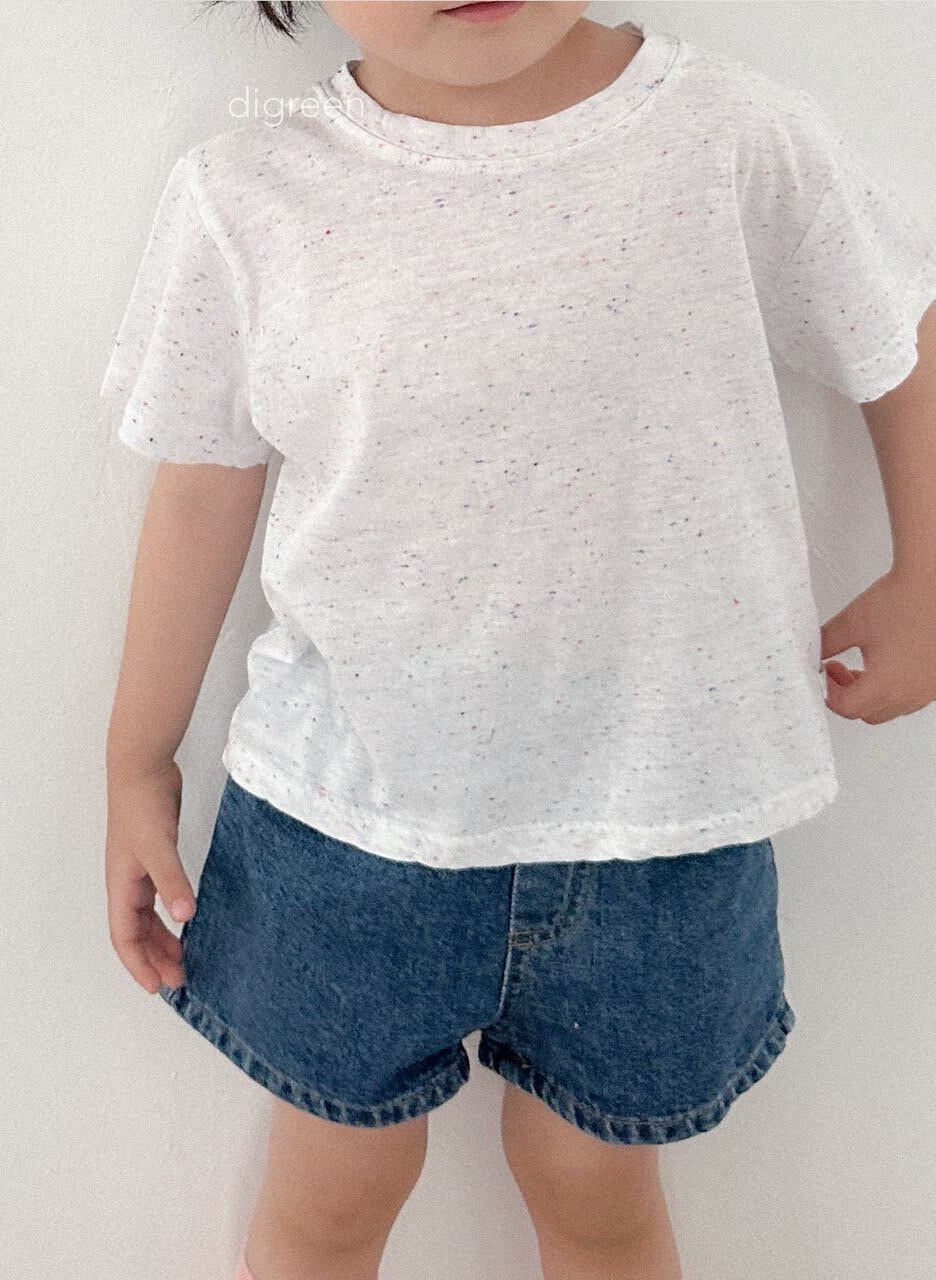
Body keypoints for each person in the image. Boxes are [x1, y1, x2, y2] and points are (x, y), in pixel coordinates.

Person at [100, 4, 936, 1277]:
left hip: (665, 821)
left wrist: (926, 577)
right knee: (330, 1194)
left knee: (596, 1190)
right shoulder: (247, 193)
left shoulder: (730, 137)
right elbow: (201, 485)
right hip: (346, 820)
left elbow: (899, 322)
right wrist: (135, 758)